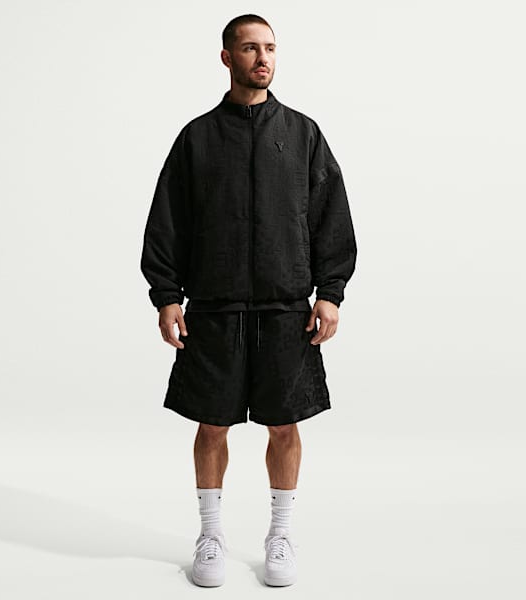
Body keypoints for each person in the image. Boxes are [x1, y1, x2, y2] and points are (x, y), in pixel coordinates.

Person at [140, 14, 357, 587]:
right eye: (250, 48)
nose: (263, 59)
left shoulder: (303, 134)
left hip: (287, 310)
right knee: (212, 425)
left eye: (270, 49)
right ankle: (211, 534)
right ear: (226, 57)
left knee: (284, 426)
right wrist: (167, 297)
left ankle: (280, 534)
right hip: (214, 309)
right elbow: (168, 222)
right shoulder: (197, 138)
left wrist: (330, 293)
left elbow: (331, 216)